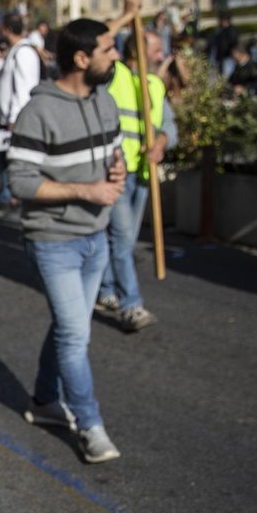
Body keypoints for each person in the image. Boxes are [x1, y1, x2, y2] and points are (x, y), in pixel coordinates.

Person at [7, 18, 126, 464]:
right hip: (54, 240)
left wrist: (117, 172)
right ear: (81, 59)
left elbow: (114, 154)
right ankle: (89, 426)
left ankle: (43, 401)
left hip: (96, 235)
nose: (115, 57)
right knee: (76, 335)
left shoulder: (106, 101)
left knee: (68, 327)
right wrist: (85, 191)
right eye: (108, 50)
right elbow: (19, 181)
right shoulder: (38, 112)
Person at [96, 30, 168, 332]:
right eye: (155, 50)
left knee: (123, 240)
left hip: (142, 175)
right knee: (123, 241)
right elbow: (98, 41)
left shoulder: (155, 85)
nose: (161, 56)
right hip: (116, 172)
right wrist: (127, 15)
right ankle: (131, 304)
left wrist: (161, 142)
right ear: (137, 51)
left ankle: (106, 289)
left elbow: (168, 126)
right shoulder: (118, 75)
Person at [0, 11, 43, 208]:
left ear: (6, 29)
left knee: (18, 167)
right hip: (10, 121)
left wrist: (15, 119)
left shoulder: (23, 52)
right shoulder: (16, 51)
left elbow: (24, 88)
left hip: (17, 123)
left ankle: (18, 201)